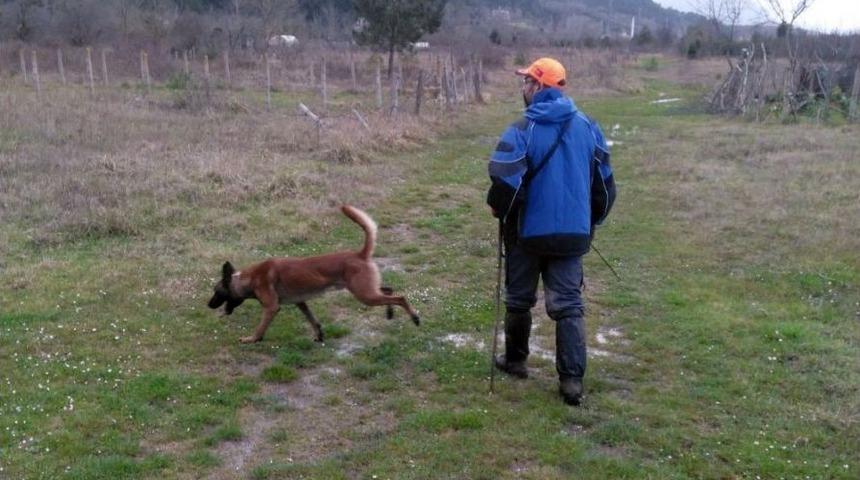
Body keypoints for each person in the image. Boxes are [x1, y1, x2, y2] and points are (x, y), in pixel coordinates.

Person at [486, 57, 616, 405]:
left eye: (527, 81)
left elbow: (504, 181)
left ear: (539, 87)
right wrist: (590, 222)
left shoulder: (522, 128)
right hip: (573, 236)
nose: (523, 87)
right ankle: (571, 382)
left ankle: (516, 361)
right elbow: (605, 188)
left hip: (526, 234)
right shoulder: (589, 127)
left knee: (518, 299)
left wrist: (498, 208)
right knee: (569, 305)